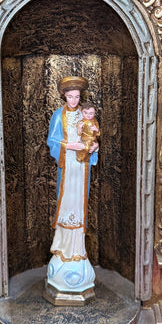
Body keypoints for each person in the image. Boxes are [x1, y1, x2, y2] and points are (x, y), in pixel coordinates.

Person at [45, 76, 99, 303]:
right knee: (67, 202)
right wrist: (69, 145)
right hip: (67, 166)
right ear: (64, 96)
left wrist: (94, 147)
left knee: (79, 204)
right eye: (70, 97)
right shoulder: (59, 115)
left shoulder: (87, 115)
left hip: (81, 167)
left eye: (77, 97)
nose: (74, 100)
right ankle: (63, 248)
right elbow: (52, 141)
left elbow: (93, 137)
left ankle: (78, 248)